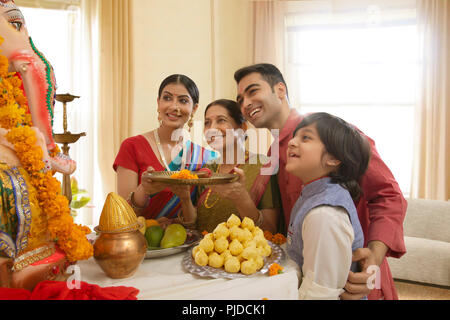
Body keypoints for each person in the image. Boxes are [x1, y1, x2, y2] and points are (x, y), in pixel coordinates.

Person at [234, 63, 407, 300]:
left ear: (280, 90)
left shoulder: (328, 136)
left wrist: (373, 260)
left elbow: (389, 196)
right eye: (240, 99)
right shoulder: (274, 153)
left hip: (354, 280)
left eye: (253, 91)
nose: (245, 103)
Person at [285, 112, 370, 299]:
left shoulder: (324, 215)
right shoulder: (311, 195)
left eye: (306, 137)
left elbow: (319, 293)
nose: (292, 142)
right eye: (294, 136)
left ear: (333, 158)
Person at [113, 74, 217, 223]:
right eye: (167, 98)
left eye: (183, 100)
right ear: (158, 103)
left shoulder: (204, 157)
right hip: (141, 242)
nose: (174, 107)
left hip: (187, 243)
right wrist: (144, 189)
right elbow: (123, 213)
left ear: (194, 109)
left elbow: (202, 218)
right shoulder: (132, 147)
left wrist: (181, 208)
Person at [170, 99, 281, 233]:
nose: (211, 129)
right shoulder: (208, 168)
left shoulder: (263, 166)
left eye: (221, 120)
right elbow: (194, 227)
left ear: (242, 128)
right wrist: (185, 198)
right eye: (207, 123)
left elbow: (270, 231)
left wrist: (241, 199)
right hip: (203, 252)